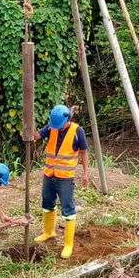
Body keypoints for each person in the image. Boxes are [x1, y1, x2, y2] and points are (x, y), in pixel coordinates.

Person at [33, 104, 91, 259]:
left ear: (68, 119)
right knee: (47, 202)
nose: (57, 128)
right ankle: (49, 232)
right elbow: (36, 136)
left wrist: (86, 173)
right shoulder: (51, 127)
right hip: (49, 174)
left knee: (68, 208)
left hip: (65, 177)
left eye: (60, 125)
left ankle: (68, 244)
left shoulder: (77, 131)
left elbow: (84, 152)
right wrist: (30, 123)